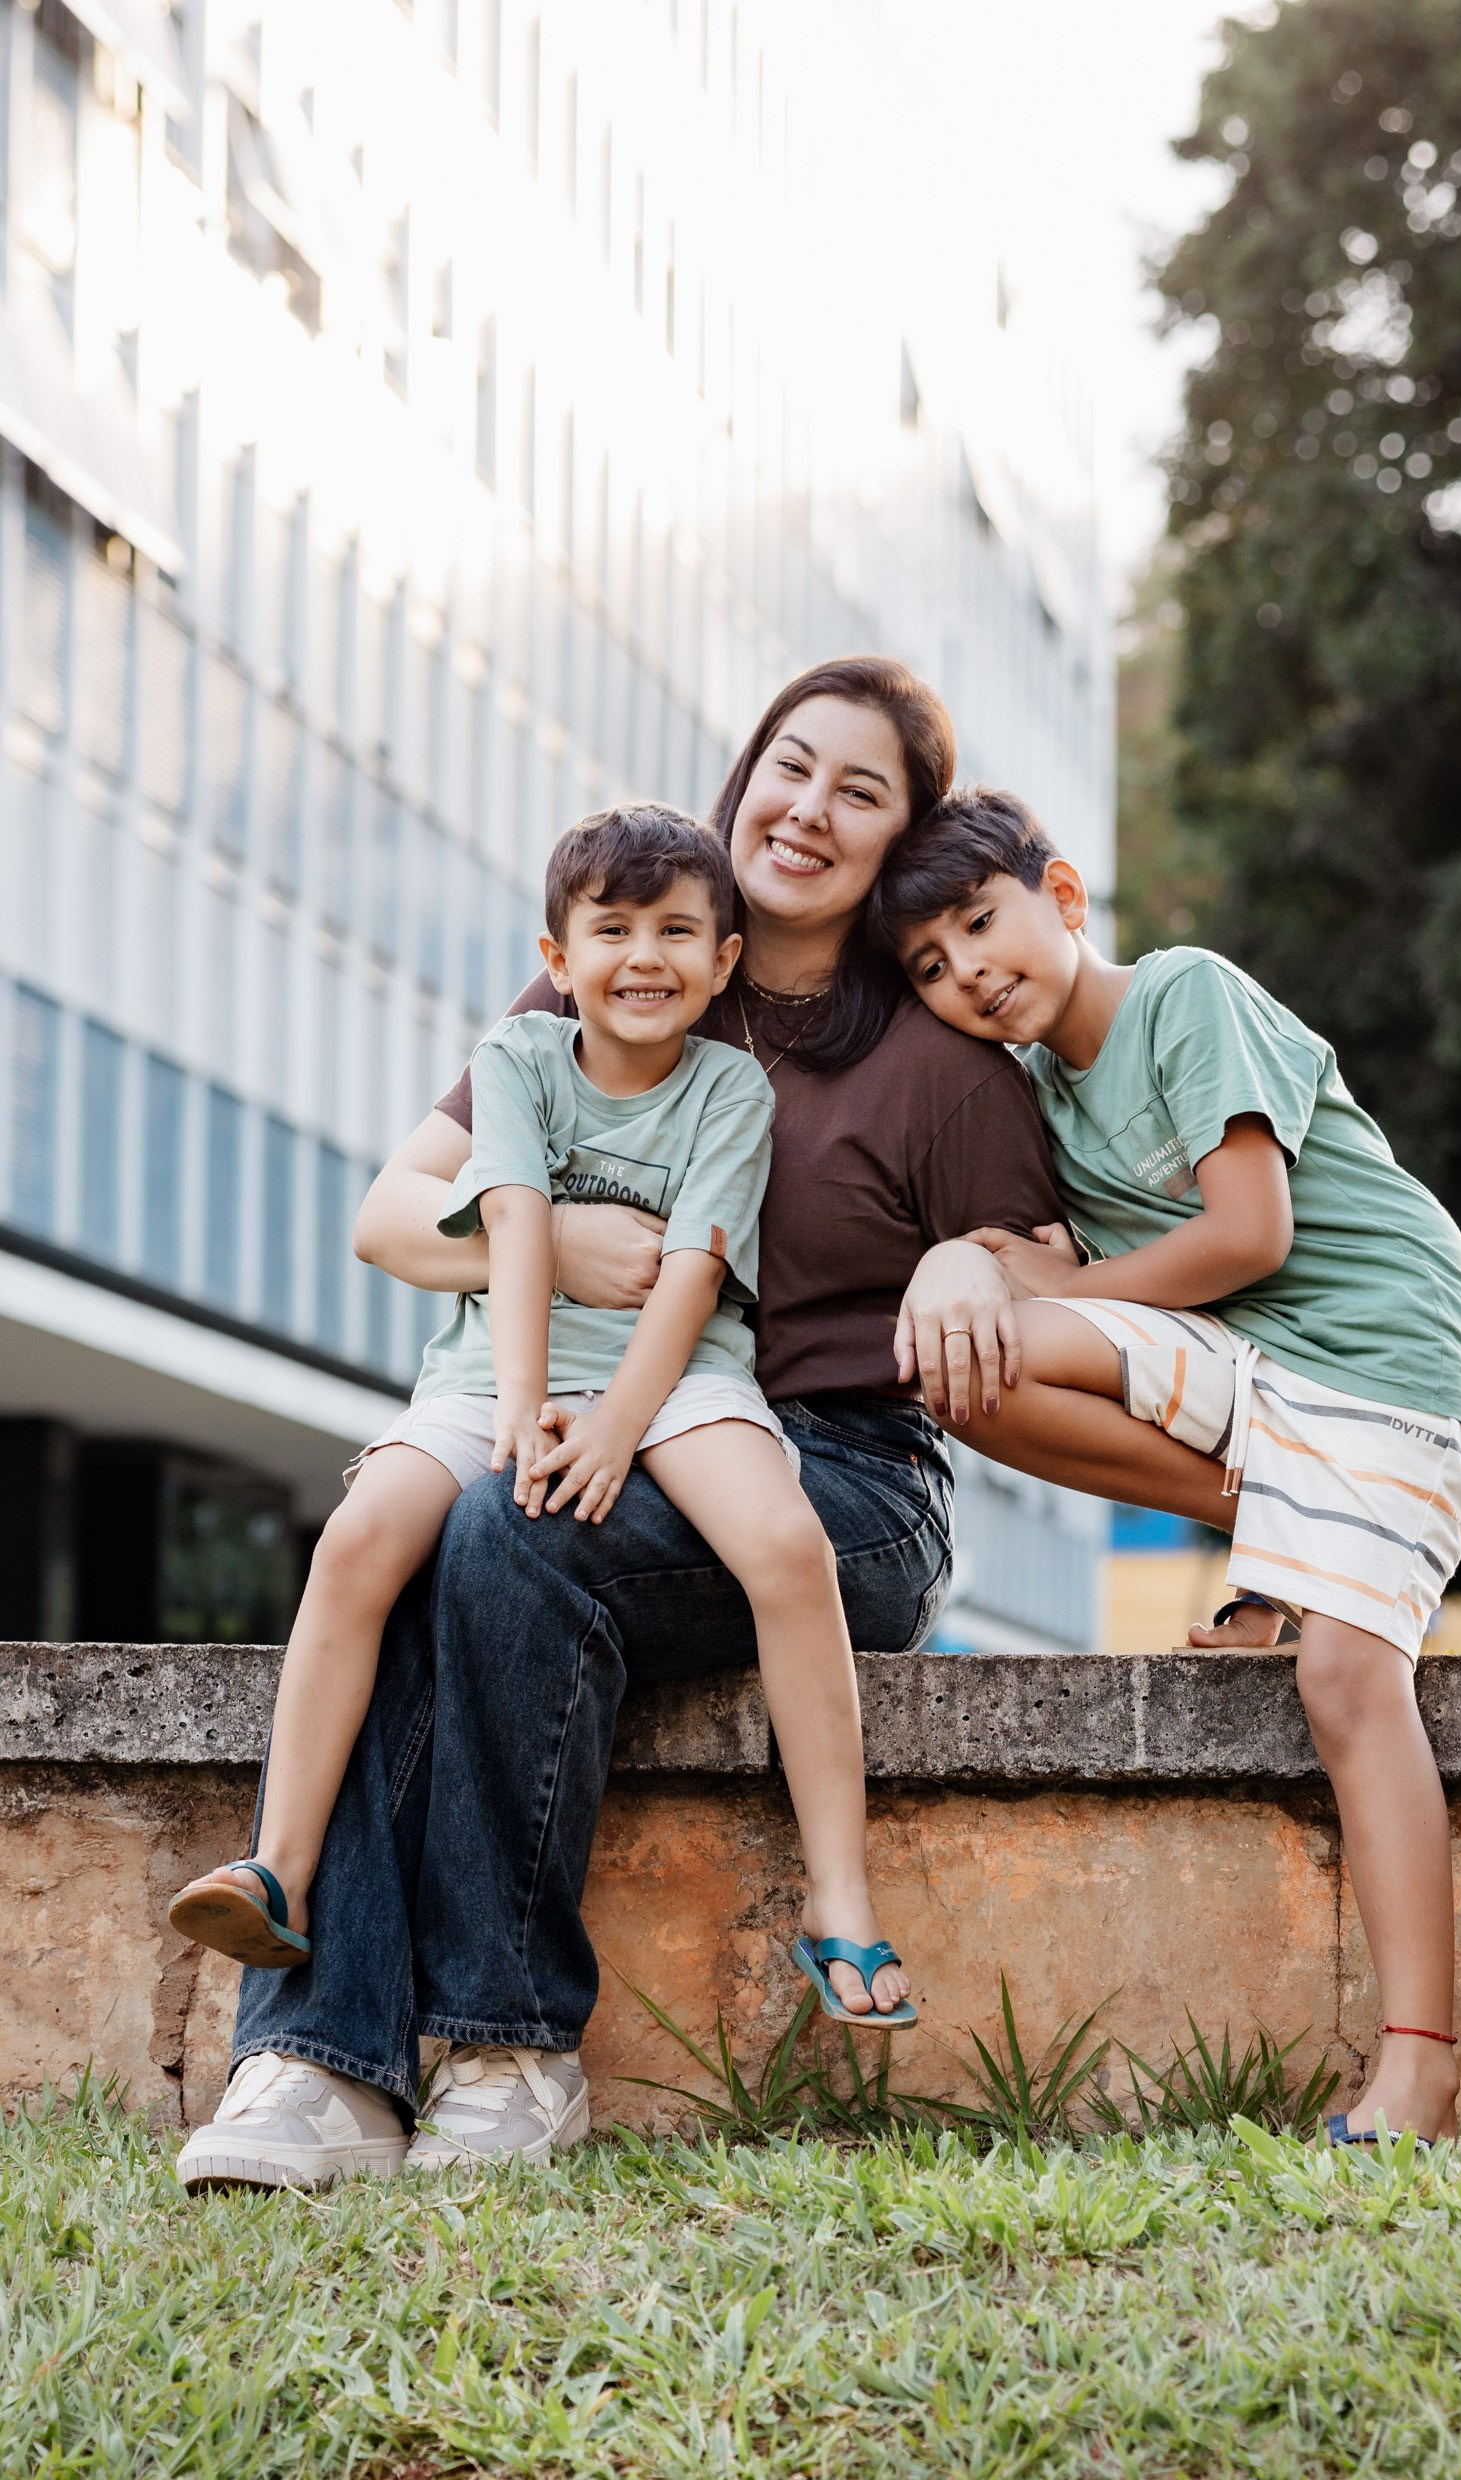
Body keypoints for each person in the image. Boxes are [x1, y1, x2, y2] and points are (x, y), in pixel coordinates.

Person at [181, 656, 1150, 2191]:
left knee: (510, 1520)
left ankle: (506, 2049)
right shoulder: (612, 962)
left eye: (862, 792)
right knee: (444, 1522)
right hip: (586, 1411)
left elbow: (1064, 1271)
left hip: (839, 1474)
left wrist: (970, 1253)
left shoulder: (935, 1057)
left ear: (900, 841)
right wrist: (548, 1242)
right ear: (744, 771)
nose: (809, 810)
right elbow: (391, 1215)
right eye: (792, 763)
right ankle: (313, 2067)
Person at [168, 803, 914, 2035]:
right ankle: (281, 1867)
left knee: (787, 1547)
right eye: (611, 929)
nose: (645, 956)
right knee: (358, 1543)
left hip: (678, 1378)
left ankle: (841, 1895)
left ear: (723, 961)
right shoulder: (518, 1058)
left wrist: (616, 1423)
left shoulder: (733, 1089)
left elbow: (690, 1275)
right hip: (487, 1375)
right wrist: (521, 1410)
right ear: (558, 957)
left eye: (679, 930)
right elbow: (514, 1222)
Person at [870, 784, 1461, 2145]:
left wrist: (1060, 1278)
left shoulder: (1183, 996)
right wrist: (955, 1260)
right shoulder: (1028, 1098)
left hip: (1398, 1364)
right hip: (1262, 1382)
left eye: (982, 923)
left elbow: (1245, 1239)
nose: (969, 971)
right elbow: (1026, 1277)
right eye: (930, 965)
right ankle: (1290, 1536)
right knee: (962, 1361)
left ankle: (1420, 2066)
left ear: (1064, 897)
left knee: (1345, 1676)